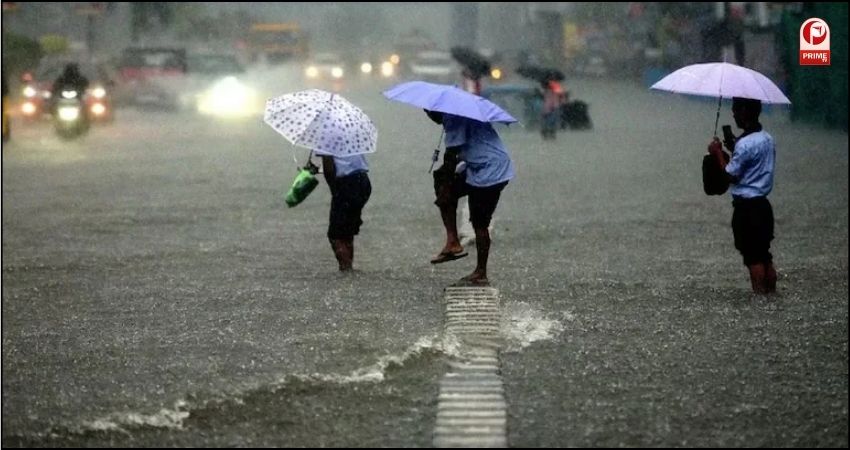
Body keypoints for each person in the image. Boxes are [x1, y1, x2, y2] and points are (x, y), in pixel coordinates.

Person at [426, 109, 514, 286]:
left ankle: (481, 272)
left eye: (429, 113)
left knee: (479, 222)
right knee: (442, 181)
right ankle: (453, 241)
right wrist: (445, 186)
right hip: (479, 165)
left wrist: (446, 190)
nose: (430, 117)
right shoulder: (456, 115)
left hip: (491, 170)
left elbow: (451, 154)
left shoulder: (453, 117)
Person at [707, 97, 777, 294]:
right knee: (765, 256)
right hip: (763, 207)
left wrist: (718, 153)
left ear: (746, 111)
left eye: (736, 109)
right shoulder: (767, 138)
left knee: (752, 257)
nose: (733, 113)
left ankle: (759, 301)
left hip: (747, 209)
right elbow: (751, 160)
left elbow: (731, 175)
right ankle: (771, 297)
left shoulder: (745, 145)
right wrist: (733, 146)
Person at [316, 152, 372, 271]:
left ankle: (346, 269)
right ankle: (348, 266)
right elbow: (347, 162)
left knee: (335, 235)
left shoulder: (325, 137)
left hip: (346, 184)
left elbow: (329, 169)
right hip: (363, 181)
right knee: (347, 230)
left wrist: (334, 190)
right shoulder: (353, 133)